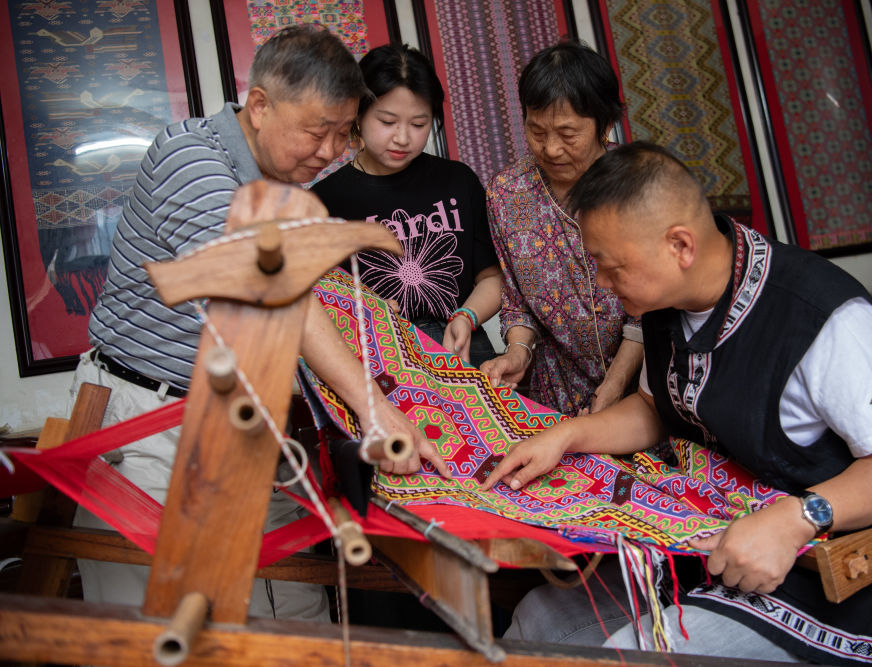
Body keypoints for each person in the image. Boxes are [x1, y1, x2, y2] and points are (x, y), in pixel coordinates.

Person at [483, 142, 872, 665]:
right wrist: (564, 436)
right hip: (714, 545)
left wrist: (798, 518)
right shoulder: (666, 307)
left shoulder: (819, 315)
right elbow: (656, 409)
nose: (604, 286)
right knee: (538, 620)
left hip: (835, 569)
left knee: (637, 657)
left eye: (611, 267)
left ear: (680, 245)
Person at [74, 25, 449, 622]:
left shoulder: (287, 191)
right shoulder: (189, 158)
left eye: (342, 133)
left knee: (295, 618)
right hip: (147, 424)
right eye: (316, 131)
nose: (330, 151)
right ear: (260, 104)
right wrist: (376, 411)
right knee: (150, 626)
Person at [312, 43, 500, 368]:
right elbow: (318, 304)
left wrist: (467, 316)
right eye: (387, 122)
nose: (403, 138)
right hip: (377, 357)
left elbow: (492, 277)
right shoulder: (325, 201)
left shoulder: (458, 181)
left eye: (418, 124)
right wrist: (367, 315)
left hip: (463, 345)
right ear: (358, 114)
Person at [480, 42, 643, 416]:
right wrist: (518, 351)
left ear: (604, 123)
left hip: (646, 383)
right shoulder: (508, 193)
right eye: (536, 131)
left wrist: (616, 383)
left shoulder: (636, 182)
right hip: (558, 391)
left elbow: (655, 305)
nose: (551, 149)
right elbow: (516, 302)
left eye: (568, 134)